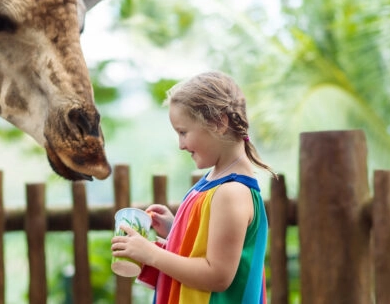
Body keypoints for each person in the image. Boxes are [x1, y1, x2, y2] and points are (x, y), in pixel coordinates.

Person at [111, 70, 275, 303]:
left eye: (183, 132)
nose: (180, 145)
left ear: (219, 123)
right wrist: (175, 230)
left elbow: (217, 276)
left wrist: (153, 254)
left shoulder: (232, 193)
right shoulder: (215, 179)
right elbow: (209, 249)